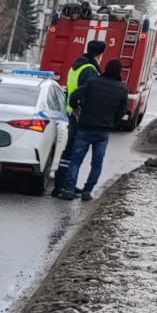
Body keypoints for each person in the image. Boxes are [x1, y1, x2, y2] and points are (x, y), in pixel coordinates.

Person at [58, 58, 130, 201]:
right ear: (119, 71)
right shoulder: (122, 89)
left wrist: (76, 110)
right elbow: (123, 111)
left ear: (106, 68)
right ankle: (87, 191)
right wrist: (112, 123)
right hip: (103, 131)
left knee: (76, 160)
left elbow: (74, 96)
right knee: (97, 163)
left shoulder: (93, 82)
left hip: (85, 127)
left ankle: (68, 190)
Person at [53, 39, 106, 196]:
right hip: (79, 114)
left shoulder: (77, 66)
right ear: (100, 54)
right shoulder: (90, 70)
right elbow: (87, 93)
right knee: (73, 152)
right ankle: (63, 186)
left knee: (69, 151)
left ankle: (61, 184)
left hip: (71, 111)